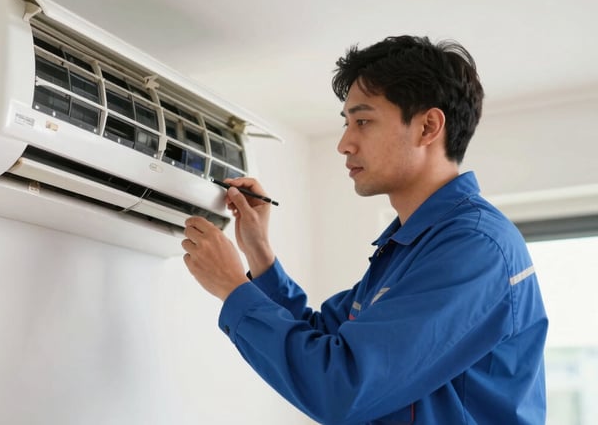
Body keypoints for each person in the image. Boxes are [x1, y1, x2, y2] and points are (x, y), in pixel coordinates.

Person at [181, 35, 548, 424]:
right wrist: (259, 253)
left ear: (428, 126)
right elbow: (324, 342)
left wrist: (232, 287)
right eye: (347, 123)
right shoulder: (411, 246)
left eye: (363, 121)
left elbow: (343, 387)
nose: (344, 143)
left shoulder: (474, 247)